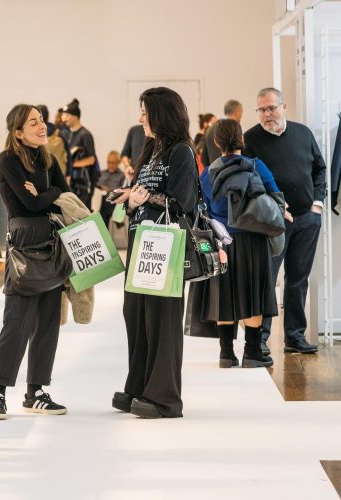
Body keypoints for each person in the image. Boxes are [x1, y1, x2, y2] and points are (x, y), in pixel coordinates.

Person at [111, 87, 198, 419]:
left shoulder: (181, 152)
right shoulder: (151, 150)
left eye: (145, 113)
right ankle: (138, 386)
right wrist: (131, 200)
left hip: (166, 248)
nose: (140, 119)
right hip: (141, 245)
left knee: (162, 320)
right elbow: (140, 195)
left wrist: (144, 198)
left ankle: (164, 398)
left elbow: (182, 202)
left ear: (162, 115)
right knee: (136, 315)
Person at [0, 104, 70, 420]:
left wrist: (45, 194)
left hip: (52, 245)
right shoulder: (9, 160)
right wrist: (49, 194)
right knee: (16, 322)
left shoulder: (48, 159)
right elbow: (28, 203)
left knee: (48, 322)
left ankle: (35, 392)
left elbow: (65, 197)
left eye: (41, 120)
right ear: (18, 132)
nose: (41, 125)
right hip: (23, 247)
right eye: (33, 122)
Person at [244, 87, 326, 355]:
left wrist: (317, 203)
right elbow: (248, 181)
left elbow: (320, 169)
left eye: (271, 108)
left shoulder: (303, 133)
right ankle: (260, 338)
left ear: (283, 107)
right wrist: (272, 206)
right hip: (272, 222)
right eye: (261, 110)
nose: (266, 114)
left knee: (298, 278)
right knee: (266, 279)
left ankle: (294, 336)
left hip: (306, 218)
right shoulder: (250, 139)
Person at [200, 119, 285, 368]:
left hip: (222, 241)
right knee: (253, 295)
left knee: (224, 295)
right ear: (242, 140)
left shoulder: (207, 173)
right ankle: (252, 352)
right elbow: (275, 195)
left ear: (217, 142)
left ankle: (226, 354)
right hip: (253, 239)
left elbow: (204, 208)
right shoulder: (257, 167)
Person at [61, 99, 97, 209]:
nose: (64, 118)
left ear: (75, 116)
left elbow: (91, 159)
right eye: (63, 115)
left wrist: (71, 164)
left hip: (81, 184)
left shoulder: (85, 134)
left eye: (67, 115)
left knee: (82, 214)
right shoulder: (64, 133)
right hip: (68, 183)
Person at [202, 100, 243, 166]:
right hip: (234, 169)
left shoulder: (210, 129)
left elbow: (204, 158)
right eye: (241, 112)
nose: (241, 116)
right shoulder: (235, 130)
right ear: (236, 112)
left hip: (214, 170)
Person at [37, 104, 72, 181]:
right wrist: (68, 175)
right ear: (48, 115)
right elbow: (68, 154)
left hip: (41, 175)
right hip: (60, 173)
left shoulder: (33, 133)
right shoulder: (58, 132)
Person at [96, 150, 126, 226]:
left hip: (111, 201)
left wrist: (109, 190)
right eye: (108, 162)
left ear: (118, 162)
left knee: (105, 204)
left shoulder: (122, 175)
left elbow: (122, 190)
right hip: (97, 199)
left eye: (112, 163)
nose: (110, 165)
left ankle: (102, 227)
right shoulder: (101, 173)